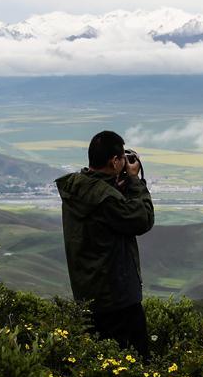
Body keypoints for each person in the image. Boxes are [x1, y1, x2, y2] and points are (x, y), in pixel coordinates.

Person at [55, 130, 154, 360]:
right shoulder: (105, 198)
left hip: (88, 294)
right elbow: (142, 219)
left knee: (99, 361)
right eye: (122, 157)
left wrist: (118, 184)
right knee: (137, 361)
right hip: (117, 298)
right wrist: (134, 181)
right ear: (115, 161)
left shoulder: (78, 189)